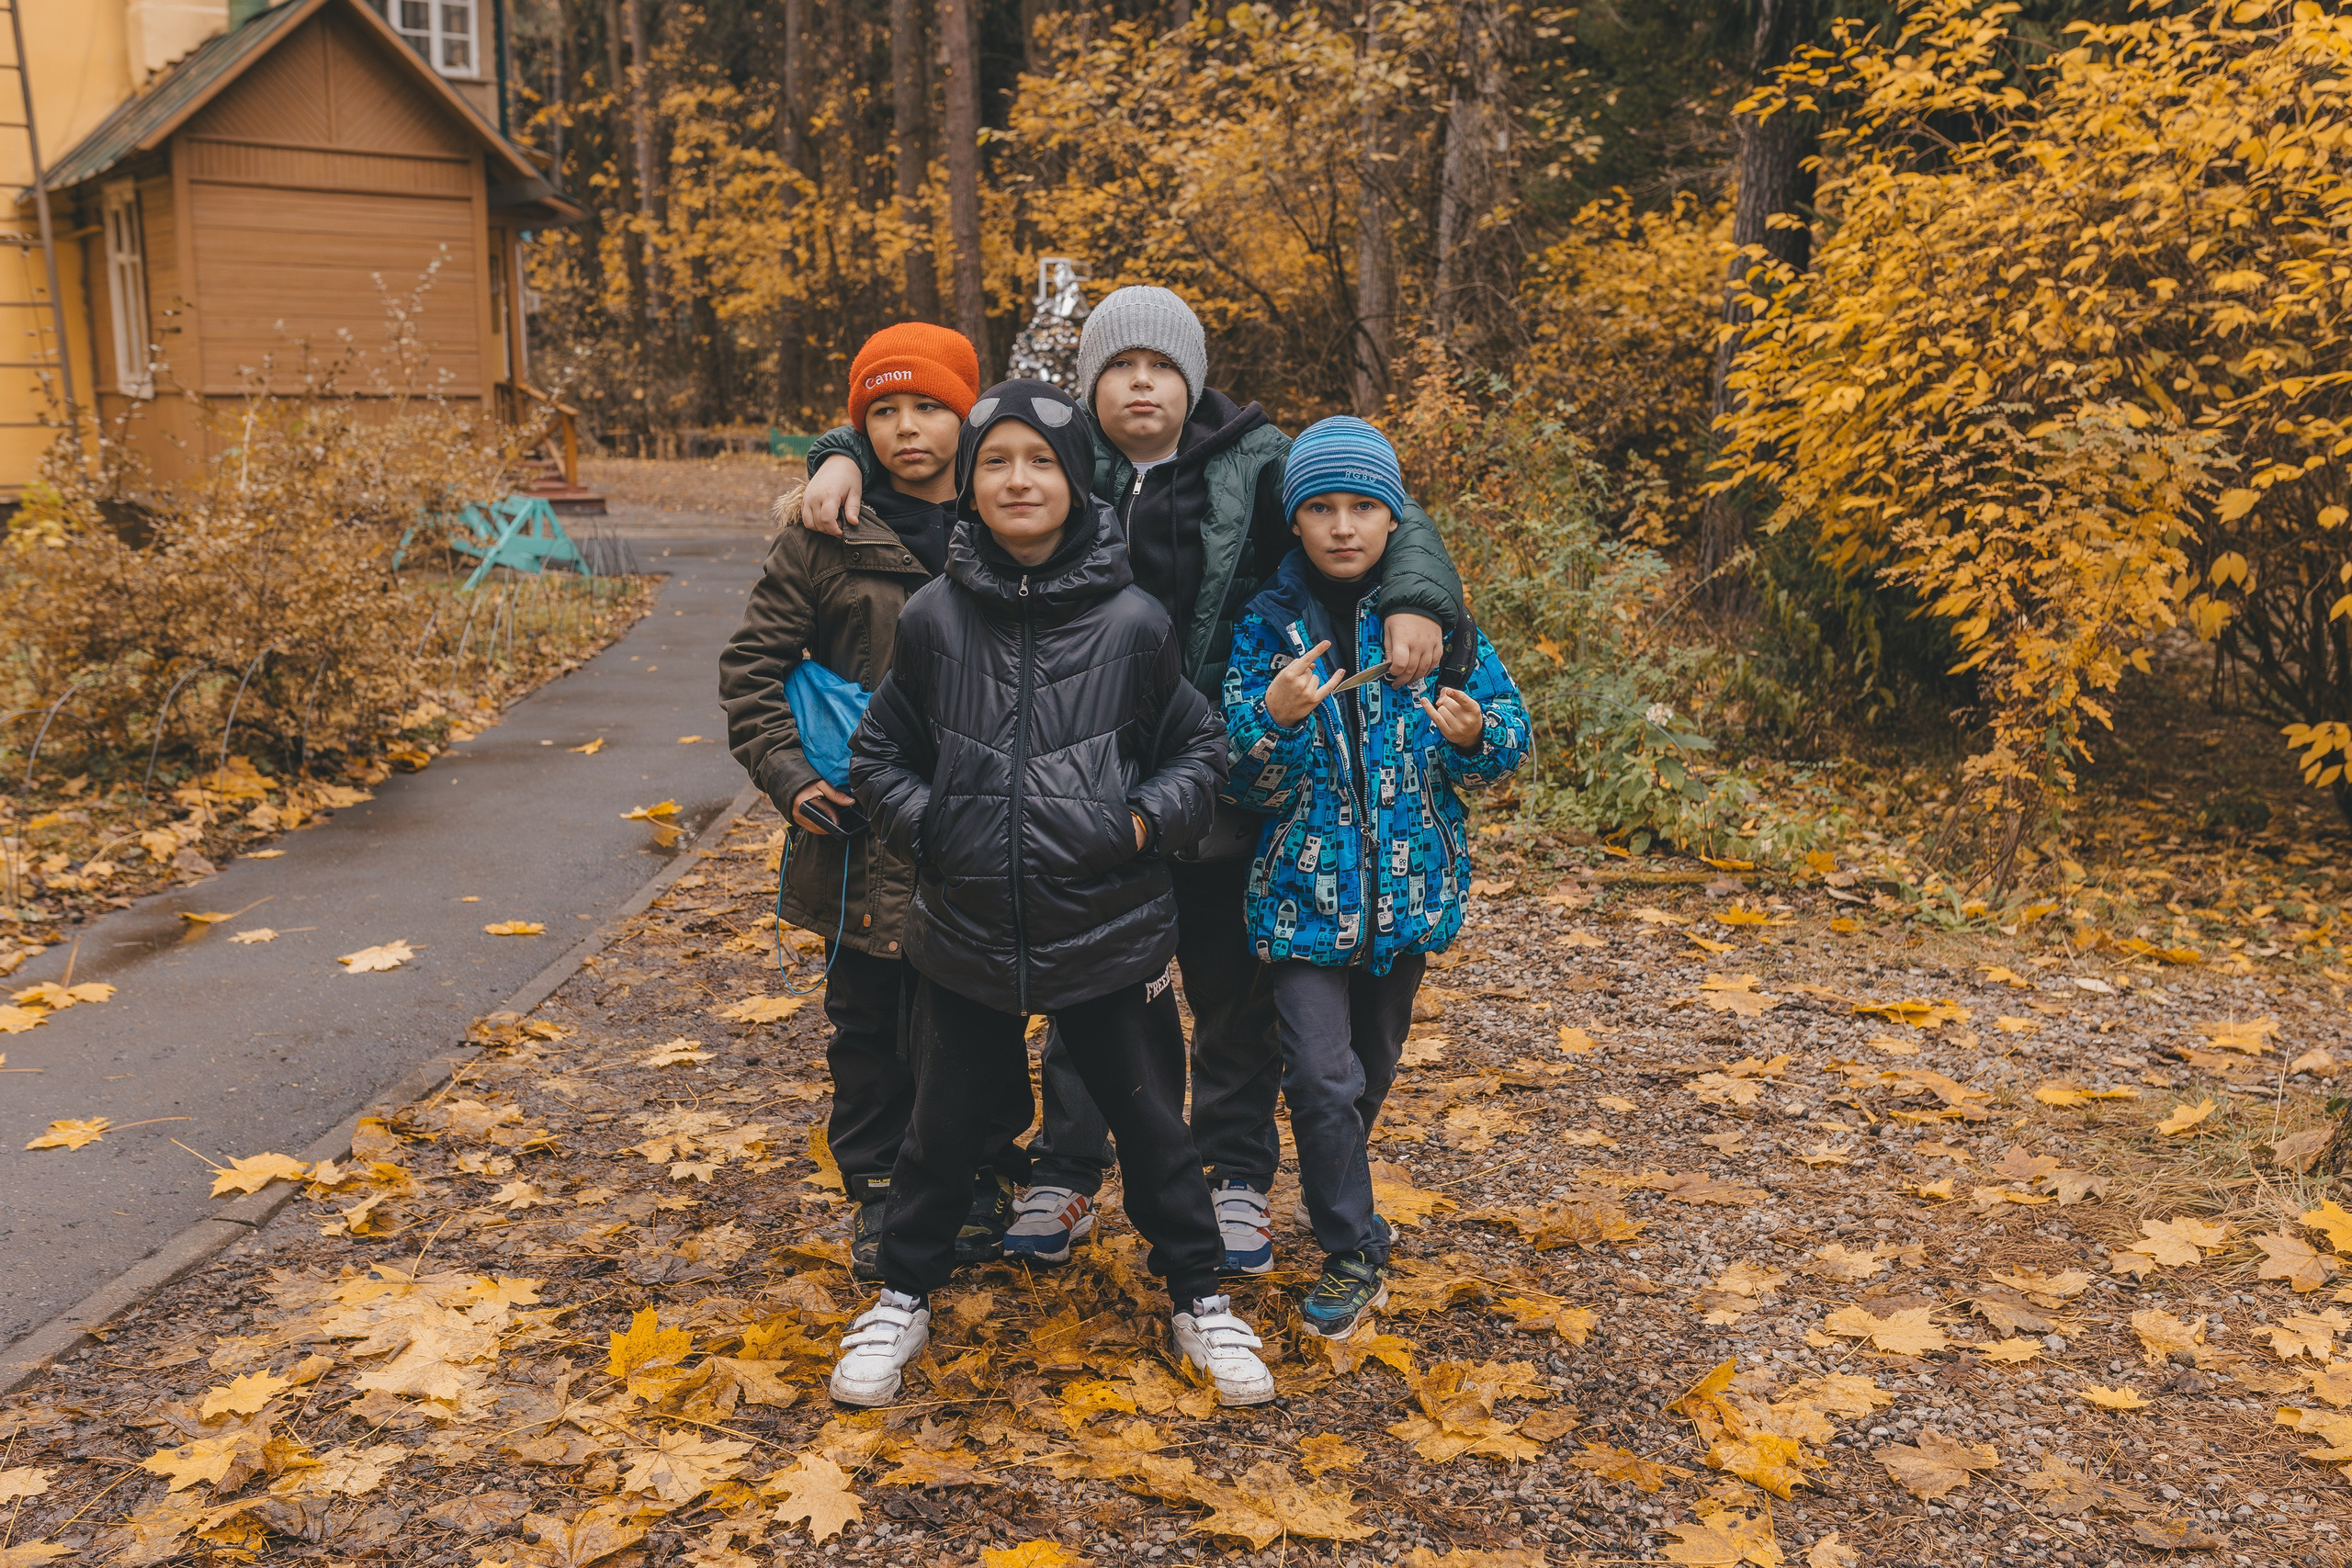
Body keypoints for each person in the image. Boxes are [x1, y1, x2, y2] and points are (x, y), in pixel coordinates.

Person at [795, 288, 1467, 1276]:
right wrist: (840, 450)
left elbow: (1371, 505)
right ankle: (1066, 1175)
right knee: (1090, 984)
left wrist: (1417, 597)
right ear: (1088, 389)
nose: (1139, 382)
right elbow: (948, 442)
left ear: (1191, 378)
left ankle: (1232, 1175)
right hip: (1081, 787)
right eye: (1117, 367)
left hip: (1228, 773)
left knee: (1229, 995)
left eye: (1159, 365)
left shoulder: (1258, 458)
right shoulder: (1067, 460)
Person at [828, 378, 1276, 1409]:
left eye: (1040, 461)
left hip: (1107, 928)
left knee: (1156, 1128)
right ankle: (902, 1293)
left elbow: (1197, 746)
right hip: (964, 931)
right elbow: (879, 752)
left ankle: (1200, 1297)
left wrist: (1135, 823)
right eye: (996, 461)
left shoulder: (1134, 622)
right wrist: (933, 823)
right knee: (939, 1129)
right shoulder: (935, 619)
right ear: (970, 486)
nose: (1018, 479)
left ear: (1075, 482)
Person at [718, 321, 1021, 1281]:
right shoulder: (825, 536)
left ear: (965, 412)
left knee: (980, 1011)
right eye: (881, 412)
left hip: (987, 826)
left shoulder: (1013, 519)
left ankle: (979, 1174)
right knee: (871, 1022)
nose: (906, 428)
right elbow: (751, 668)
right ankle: (882, 1189)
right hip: (861, 836)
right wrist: (789, 775)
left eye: (927, 406)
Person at [1221, 416, 1531, 1338]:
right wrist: (1271, 720)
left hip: (1405, 903)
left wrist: (1476, 735)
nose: (1343, 526)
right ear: (1297, 521)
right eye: (1321, 508)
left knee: (1363, 1080)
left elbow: (1508, 734)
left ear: (1394, 520)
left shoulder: (1436, 626)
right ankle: (1353, 1247)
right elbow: (1237, 772)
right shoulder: (1267, 624)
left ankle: (1343, 1199)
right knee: (1318, 1078)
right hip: (1301, 906)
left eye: (1363, 506)